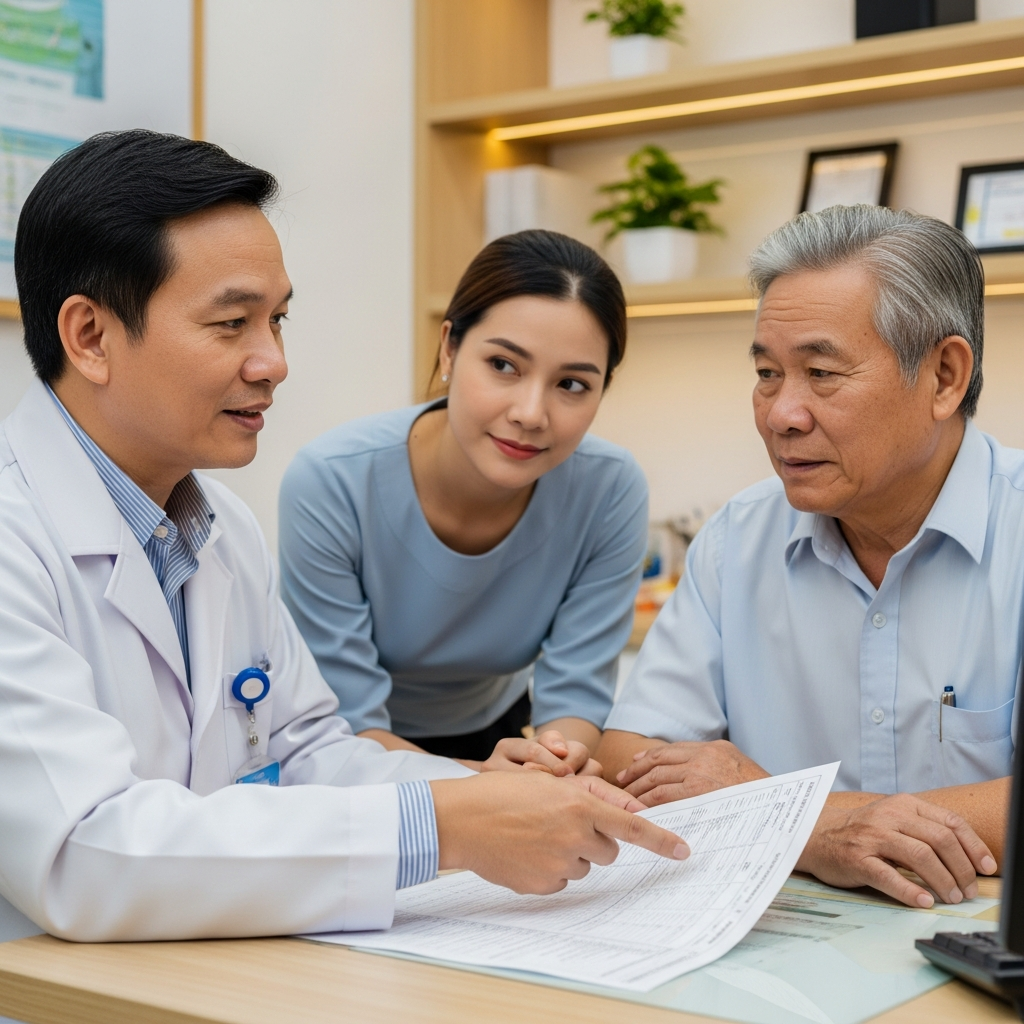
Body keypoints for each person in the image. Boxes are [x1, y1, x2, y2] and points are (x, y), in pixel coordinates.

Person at [0, 130, 688, 944]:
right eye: (232, 325)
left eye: (278, 320)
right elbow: (85, 852)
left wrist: (497, 799)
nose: (274, 363)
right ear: (89, 336)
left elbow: (306, 751)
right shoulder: (18, 537)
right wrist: (443, 826)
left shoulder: (220, 531)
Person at [597, 204, 1015, 911]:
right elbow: (630, 763)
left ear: (944, 376)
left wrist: (781, 812)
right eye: (766, 373)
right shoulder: (740, 538)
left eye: (821, 372)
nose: (781, 414)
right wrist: (818, 831)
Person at [278, 230, 647, 774]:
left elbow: (575, 692)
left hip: (501, 739)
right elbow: (347, 717)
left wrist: (555, 768)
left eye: (571, 384)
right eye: (503, 365)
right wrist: (499, 791)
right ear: (450, 347)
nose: (530, 413)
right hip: (351, 751)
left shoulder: (609, 489)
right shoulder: (331, 482)